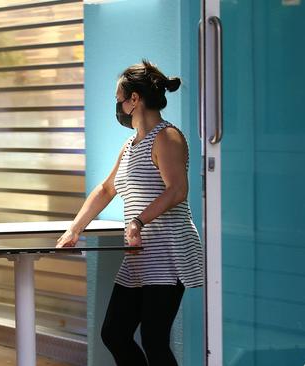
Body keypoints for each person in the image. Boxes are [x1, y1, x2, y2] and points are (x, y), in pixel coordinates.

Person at [56, 60, 204, 366]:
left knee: (154, 339)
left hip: (166, 251)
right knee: (115, 333)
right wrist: (74, 229)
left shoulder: (168, 137)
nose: (118, 105)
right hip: (140, 254)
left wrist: (138, 221)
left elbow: (177, 190)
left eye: (118, 98)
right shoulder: (130, 144)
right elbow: (107, 189)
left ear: (134, 99)